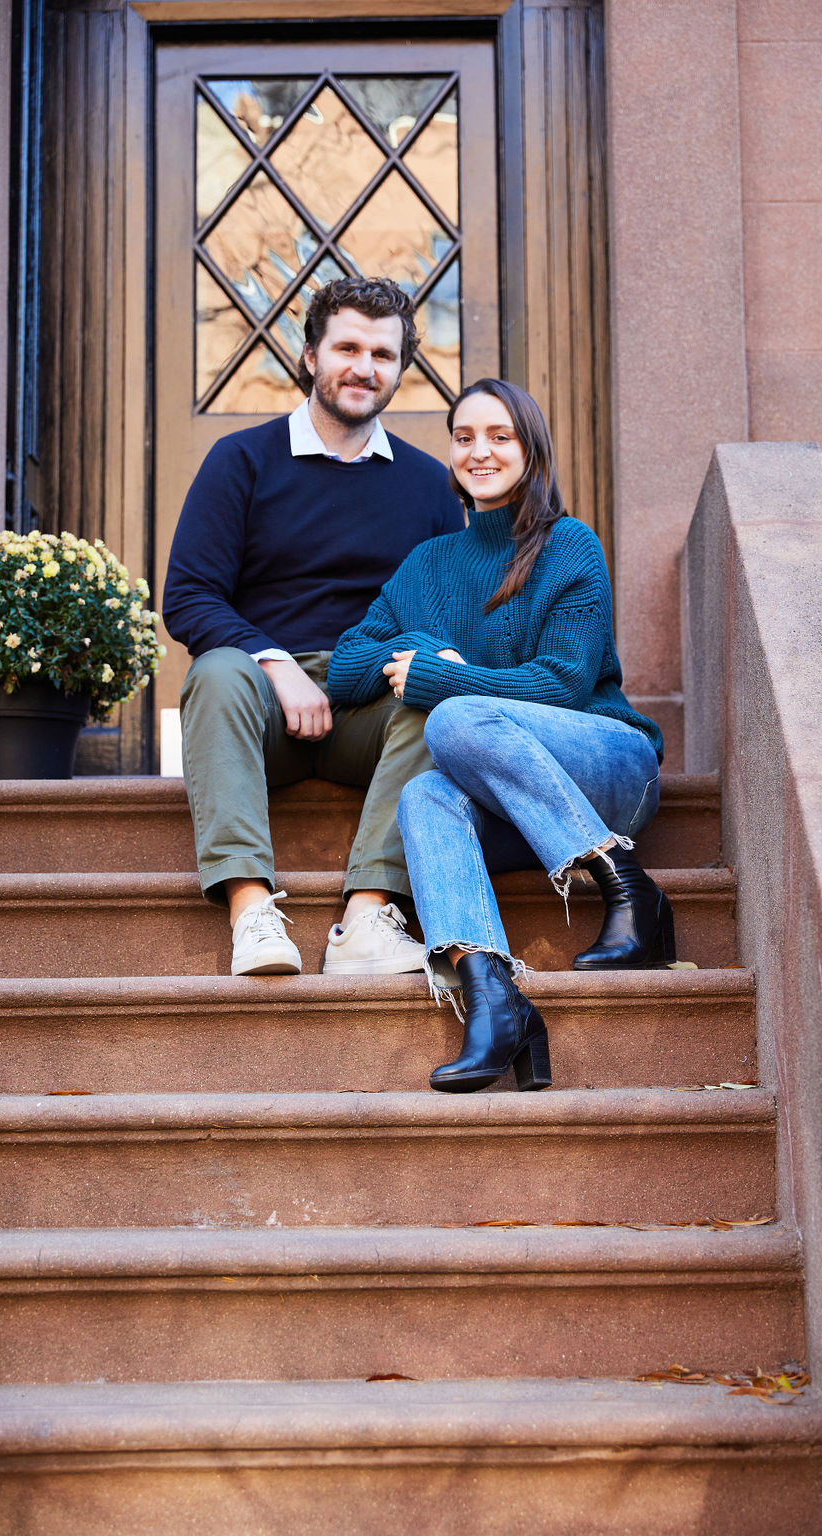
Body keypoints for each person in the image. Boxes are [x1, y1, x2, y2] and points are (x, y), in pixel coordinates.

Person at [327, 379, 674, 1093]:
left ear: (530, 449)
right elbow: (346, 668)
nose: (479, 451)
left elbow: (563, 687)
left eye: (499, 436)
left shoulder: (569, 545)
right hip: (511, 799)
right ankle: (495, 998)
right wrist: (426, 648)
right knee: (423, 795)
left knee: (452, 717)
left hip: (607, 766)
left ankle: (627, 886)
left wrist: (443, 679)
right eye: (464, 437)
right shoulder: (428, 565)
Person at [162, 276, 465, 978]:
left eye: (383, 355)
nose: (364, 367)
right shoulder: (241, 461)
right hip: (261, 708)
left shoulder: (427, 485)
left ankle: (367, 916)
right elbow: (190, 596)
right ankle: (251, 909)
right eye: (348, 347)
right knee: (215, 670)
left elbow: (443, 615)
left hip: (369, 706)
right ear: (309, 356)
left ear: (401, 368)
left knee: (441, 699)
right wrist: (277, 664)